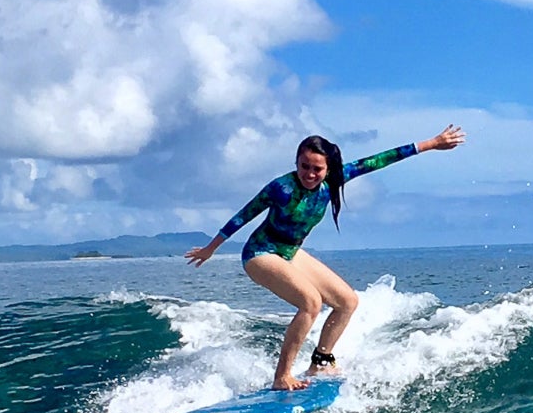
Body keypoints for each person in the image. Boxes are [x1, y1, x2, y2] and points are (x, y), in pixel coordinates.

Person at [187, 126, 466, 390]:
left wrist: (431, 144)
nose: (309, 174)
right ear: (296, 162)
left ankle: (320, 362)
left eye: (317, 168)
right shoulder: (280, 188)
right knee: (311, 302)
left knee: (347, 302)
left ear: (328, 168)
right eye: (304, 166)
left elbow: (378, 160)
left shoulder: (335, 179)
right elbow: (244, 215)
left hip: (291, 253)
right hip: (261, 253)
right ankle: (282, 376)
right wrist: (211, 248)